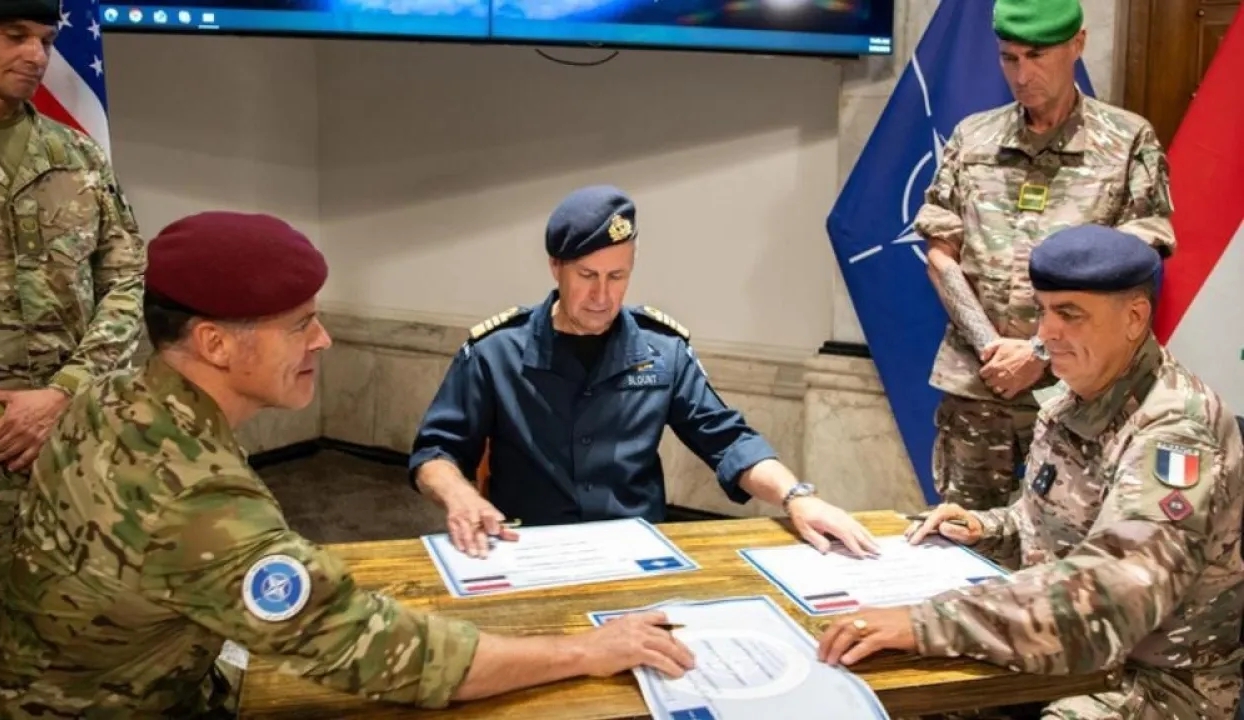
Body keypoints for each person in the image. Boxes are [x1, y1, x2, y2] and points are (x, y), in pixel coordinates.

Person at [0, 211, 697, 719]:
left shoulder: (116, 398)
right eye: (300, 324)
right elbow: (384, 654)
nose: (323, 340)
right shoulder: (194, 498)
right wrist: (584, 651)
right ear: (215, 344)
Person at [815, 225, 1244, 720]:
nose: (1045, 333)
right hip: (1063, 657)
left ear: (1134, 317)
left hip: (1154, 681)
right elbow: (1044, 529)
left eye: (1070, 314)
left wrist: (925, 622)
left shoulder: (1177, 432)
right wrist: (984, 529)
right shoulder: (1068, 403)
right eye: (1043, 310)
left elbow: (1115, 591)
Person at [409, 184, 878, 559]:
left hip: (633, 554)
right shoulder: (496, 352)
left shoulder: (661, 350)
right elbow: (435, 450)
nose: (602, 296)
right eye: (587, 276)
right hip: (531, 551)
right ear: (556, 267)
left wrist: (797, 496)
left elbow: (728, 440)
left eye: (617, 276)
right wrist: (459, 495)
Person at [915, 0, 1176, 512]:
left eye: (1037, 56)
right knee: (964, 532)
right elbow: (940, 255)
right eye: (1009, 58)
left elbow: (1135, 268)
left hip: (1079, 389)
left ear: (1077, 44)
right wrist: (994, 349)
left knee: (1069, 537)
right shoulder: (974, 138)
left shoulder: (1126, 141)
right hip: (980, 388)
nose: (1022, 74)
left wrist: (1037, 353)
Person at [0, 0, 146, 702]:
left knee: (75, 646)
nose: (36, 55)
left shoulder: (75, 154)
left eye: (45, 39)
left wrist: (66, 393)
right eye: (14, 36)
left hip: (74, 451)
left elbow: (125, 279)